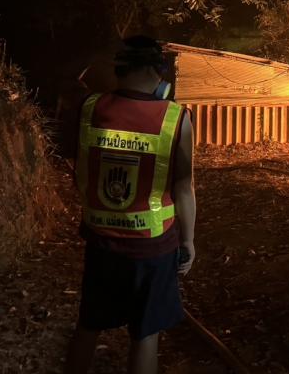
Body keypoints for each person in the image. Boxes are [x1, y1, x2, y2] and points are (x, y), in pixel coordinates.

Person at [65, 36, 197, 374]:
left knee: (89, 324)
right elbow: (183, 187)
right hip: (153, 248)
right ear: (158, 70)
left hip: (101, 242)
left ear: (120, 69)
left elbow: (77, 163)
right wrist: (188, 241)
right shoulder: (175, 118)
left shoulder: (90, 108)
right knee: (145, 333)